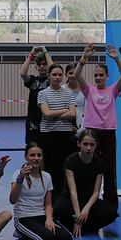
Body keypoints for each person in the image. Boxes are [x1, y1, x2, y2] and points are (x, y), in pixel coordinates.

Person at [74, 43, 121, 210]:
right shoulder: (89, 90)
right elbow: (76, 74)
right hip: (92, 132)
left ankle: (111, 205)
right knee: (91, 167)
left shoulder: (113, 90)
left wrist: (117, 59)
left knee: (109, 169)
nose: (98, 78)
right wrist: (84, 57)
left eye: (101, 75)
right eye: (96, 75)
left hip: (109, 132)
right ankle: (90, 203)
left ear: (107, 76)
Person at [53, 129, 118, 237]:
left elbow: (96, 192)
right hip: (70, 199)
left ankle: (87, 226)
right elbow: (73, 192)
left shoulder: (99, 163)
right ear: (79, 144)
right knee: (58, 209)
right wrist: (78, 217)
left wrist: (86, 209)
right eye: (85, 144)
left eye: (92, 145)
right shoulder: (71, 160)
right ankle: (75, 224)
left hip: (88, 199)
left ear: (96, 145)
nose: (88, 148)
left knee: (111, 212)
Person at [10, 142, 72, 240]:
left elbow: (48, 204)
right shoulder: (17, 174)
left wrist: (49, 219)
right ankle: (22, 235)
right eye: (32, 155)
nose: (36, 158)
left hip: (41, 216)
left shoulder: (47, 176)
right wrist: (20, 178)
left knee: (66, 239)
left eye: (39, 155)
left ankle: (35, 233)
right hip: (24, 217)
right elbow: (12, 200)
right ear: (26, 157)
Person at [37, 63, 76, 196]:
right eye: (54, 74)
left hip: (65, 135)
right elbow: (46, 113)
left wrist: (54, 113)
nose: (57, 77)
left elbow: (73, 114)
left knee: (63, 167)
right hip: (48, 134)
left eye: (60, 74)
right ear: (49, 76)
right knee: (50, 167)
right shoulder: (42, 94)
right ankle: (50, 198)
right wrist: (65, 109)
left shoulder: (69, 94)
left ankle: (63, 198)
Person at [20, 46, 52, 144]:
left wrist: (45, 52)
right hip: (32, 122)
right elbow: (22, 73)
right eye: (39, 64)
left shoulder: (52, 81)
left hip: (48, 121)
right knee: (32, 147)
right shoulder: (32, 81)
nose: (42, 66)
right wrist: (31, 54)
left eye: (44, 64)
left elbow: (53, 68)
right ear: (36, 67)